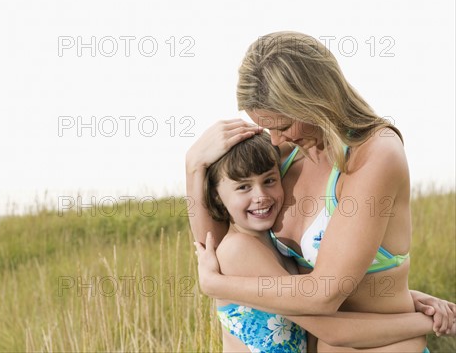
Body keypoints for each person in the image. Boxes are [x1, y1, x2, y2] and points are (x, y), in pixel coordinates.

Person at [186, 31, 456, 352]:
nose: (273, 140)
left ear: (314, 102)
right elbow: (219, 246)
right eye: (267, 127)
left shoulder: (375, 154)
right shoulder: (286, 155)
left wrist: (217, 285)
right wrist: (193, 167)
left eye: (283, 126)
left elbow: (323, 295)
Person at [203, 132, 446, 352]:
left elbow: (301, 291)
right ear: (217, 195)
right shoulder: (238, 249)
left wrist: (409, 297)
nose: (261, 197)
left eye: (269, 180)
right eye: (243, 187)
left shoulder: (274, 241)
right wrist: (431, 321)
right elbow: (331, 329)